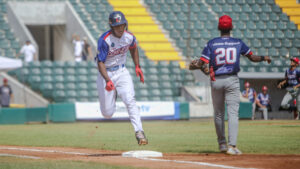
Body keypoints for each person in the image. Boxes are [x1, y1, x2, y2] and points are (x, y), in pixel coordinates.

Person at [189, 15, 271, 155]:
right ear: (231, 27)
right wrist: (264, 57)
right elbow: (252, 57)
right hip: (232, 79)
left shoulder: (212, 43)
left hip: (216, 81)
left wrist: (195, 65)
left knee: (219, 114)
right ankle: (232, 146)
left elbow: (201, 63)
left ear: (219, 28)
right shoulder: (238, 42)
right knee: (233, 113)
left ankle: (222, 144)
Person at [95, 11, 147, 145]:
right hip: (106, 73)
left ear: (125, 24)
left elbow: (134, 48)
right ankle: (114, 93)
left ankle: (139, 132)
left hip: (122, 71)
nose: (120, 28)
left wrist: (137, 66)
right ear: (111, 26)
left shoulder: (129, 37)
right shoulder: (105, 39)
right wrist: (107, 80)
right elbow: (100, 62)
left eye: (122, 25)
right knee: (107, 113)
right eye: (117, 26)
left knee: (130, 100)